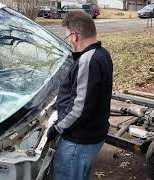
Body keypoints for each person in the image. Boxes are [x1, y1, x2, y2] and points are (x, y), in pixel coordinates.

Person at [47, 11, 113, 180]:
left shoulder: (87, 60)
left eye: (68, 36)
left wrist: (57, 128)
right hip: (92, 135)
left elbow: (80, 108)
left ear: (75, 36)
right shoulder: (103, 53)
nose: (68, 40)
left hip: (79, 141)